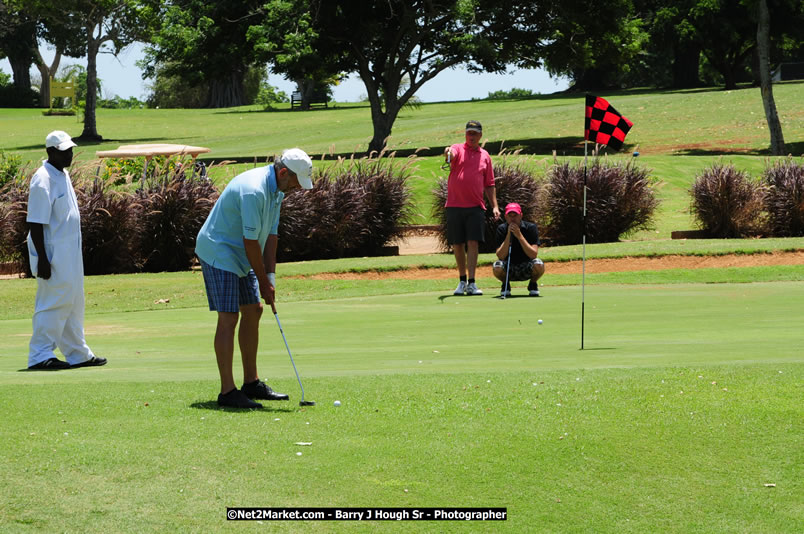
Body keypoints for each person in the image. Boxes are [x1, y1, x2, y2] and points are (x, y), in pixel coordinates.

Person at [195, 148, 314, 409]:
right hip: (219, 249)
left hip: (241, 252)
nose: (296, 189)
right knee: (229, 317)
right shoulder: (254, 190)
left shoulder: (277, 191)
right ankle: (228, 392)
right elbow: (251, 243)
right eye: (295, 183)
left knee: (254, 309)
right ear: (283, 173)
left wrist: (269, 277)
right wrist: (261, 281)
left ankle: (251, 383)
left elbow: (271, 236)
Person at [26, 131, 107, 370]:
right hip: (52, 254)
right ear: (50, 152)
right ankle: (39, 355)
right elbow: (36, 222)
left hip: (70, 252)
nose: (70, 154)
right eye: (64, 151)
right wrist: (42, 258)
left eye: (70, 150)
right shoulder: (42, 179)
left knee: (73, 301)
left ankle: (77, 353)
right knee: (52, 302)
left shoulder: (62, 173)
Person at [443, 120, 500, 296]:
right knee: (458, 244)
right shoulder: (458, 148)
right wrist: (447, 152)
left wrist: (495, 206)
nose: (471, 136)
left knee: (473, 243)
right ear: (465, 134)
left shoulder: (485, 156)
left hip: (476, 206)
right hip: (454, 205)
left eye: (475, 133)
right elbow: (450, 153)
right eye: (469, 133)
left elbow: (489, 184)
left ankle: (472, 283)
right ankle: (462, 281)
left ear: (480, 135)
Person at [493, 202, 545, 297]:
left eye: (515, 215)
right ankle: (505, 285)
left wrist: (519, 235)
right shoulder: (501, 229)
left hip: (526, 267)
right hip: (509, 268)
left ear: (521, 216)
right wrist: (509, 235)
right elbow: (500, 255)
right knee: (497, 266)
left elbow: (533, 255)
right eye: (510, 216)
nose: (513, 218)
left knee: (539, 264)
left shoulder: (531, 228)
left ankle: (533, 284)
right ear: (506, 217)